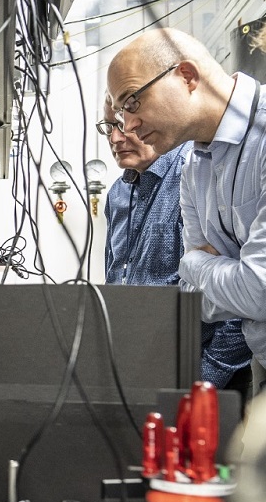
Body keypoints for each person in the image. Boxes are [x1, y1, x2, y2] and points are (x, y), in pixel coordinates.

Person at [107, 28, 266, 389]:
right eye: (119, 114)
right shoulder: (196, 167)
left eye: (132, 102)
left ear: (187, 76)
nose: (127, 126)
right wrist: (222, 273)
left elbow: (258, 292)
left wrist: (195, 262)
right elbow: (200, 301)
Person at [98, 99, 251, 395]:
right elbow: (115, 278)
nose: (115, 138)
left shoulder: (195, 176)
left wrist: (203, 381)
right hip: (137, 371)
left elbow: (239, 297)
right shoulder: (118, 193)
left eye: (121, 125)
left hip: (203, 376)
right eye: (108, 127)